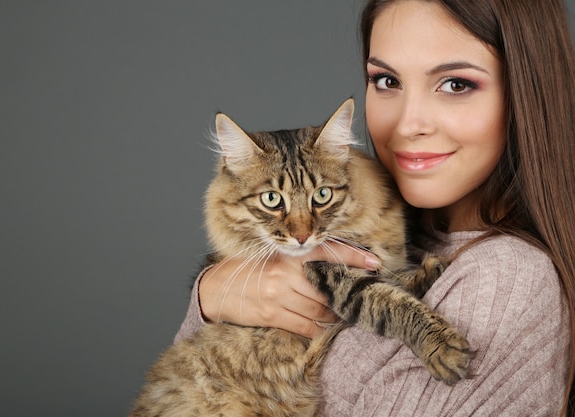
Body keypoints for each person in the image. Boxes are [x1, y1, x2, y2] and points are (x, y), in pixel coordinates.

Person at [175, 0, 575, 415]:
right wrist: (211, 297)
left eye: (455, 84)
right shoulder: (399, 235)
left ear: (527, 91)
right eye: (386, 81)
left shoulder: (504, 281)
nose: (408, 123)